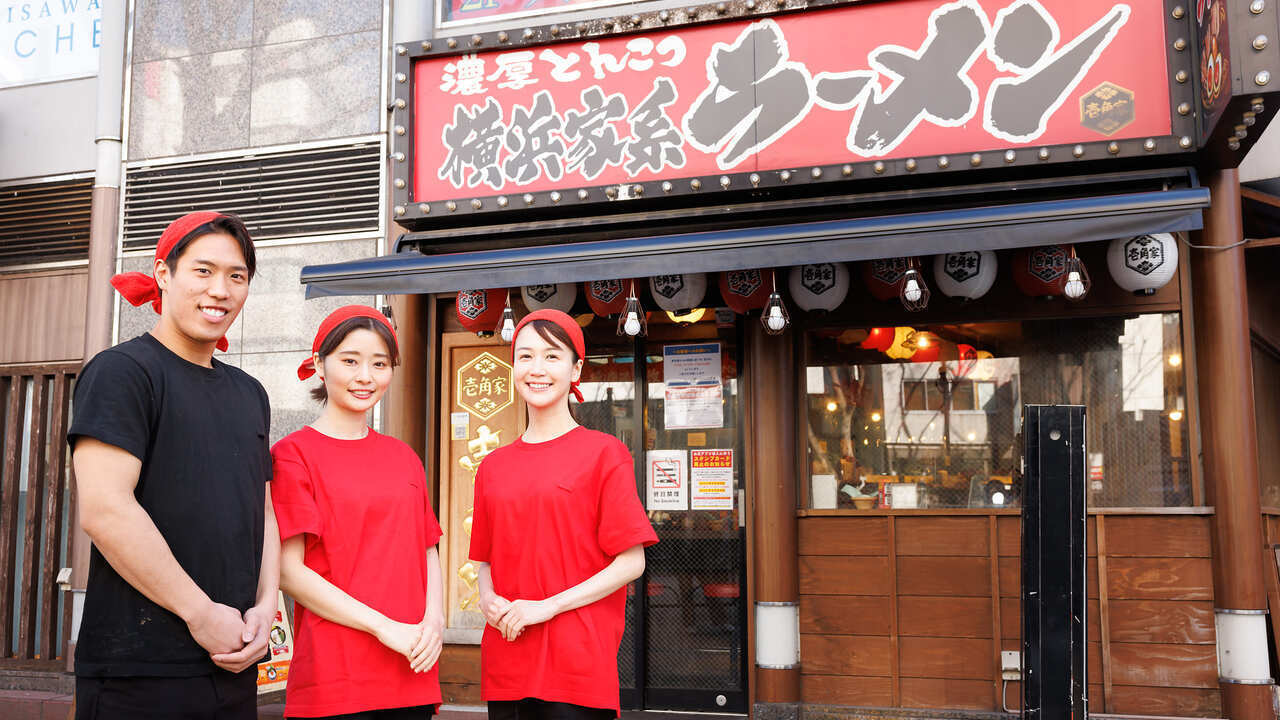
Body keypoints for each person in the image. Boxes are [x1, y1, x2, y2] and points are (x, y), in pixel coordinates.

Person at [69, 211, 279, 720]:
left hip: (234, 661)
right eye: (203, 271)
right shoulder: (122, 372)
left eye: (237, 276)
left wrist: (267, 606)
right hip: (140, 671)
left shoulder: (249, 393)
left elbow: (264, 511)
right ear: (164, 274)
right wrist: (200, 612)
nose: (221, 290)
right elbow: (105, 510)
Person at [470, 308, 658, 720]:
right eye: (525, 356)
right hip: (507, 654)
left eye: (552, 356)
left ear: (576, 369)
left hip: (577, 663)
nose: (537, 369)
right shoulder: (493, 466)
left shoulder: (604, 453)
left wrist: (545, 607)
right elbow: (485, 560)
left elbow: (631, 562)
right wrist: (487, 600)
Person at [270, 305, 444, 719]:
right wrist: (386, 629)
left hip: (411, 669)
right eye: (350, 361)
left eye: (380, 364)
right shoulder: (293, 455)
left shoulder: (403, 457)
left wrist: (434, 622)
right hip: (336, 676)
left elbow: (428, 548)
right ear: (319, 363)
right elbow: (288, 571)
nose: (366, 376)